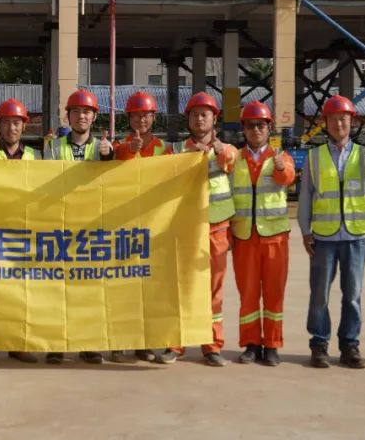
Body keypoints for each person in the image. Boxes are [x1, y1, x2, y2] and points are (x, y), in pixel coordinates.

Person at [298, 94, 365, 370]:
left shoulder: (364, 154)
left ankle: (350, 344)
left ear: (352, 122)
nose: (339, 124)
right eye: (334, 119)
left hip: (355, 237)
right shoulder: (314, 157)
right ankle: (319, 344)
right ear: (326, 123)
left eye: (344, 119)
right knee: (319, 295)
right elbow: (306, 196)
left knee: (352, 294)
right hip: (323, 237)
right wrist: (305, 230)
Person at [161, 92, 238, 367]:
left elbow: (233, 162)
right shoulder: (175, 151)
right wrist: (187, 158)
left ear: (215, 118)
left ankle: (212, 346)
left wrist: (218, 150)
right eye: (194, 114)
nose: (199, 119)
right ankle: (175, 344)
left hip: (217, 229)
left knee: (214, 291)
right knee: (180, 287)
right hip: (185, 230)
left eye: (204, 114)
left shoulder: (226, 151)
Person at [43, 88, 114, 364]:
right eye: (76, 111)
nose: (81, 116)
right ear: (68, 116)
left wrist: (108, 157)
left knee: (90, 288)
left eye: (86, 112)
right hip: (60, 227)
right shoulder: (53, 148)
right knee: (57, 289)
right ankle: (56, 343)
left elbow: (115, 180)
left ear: (94, 117)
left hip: (92, 228)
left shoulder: (103, 147)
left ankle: (89, 343)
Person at [230, 100, 296, 366]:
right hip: (244, 237)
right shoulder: (235, 159)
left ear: (269, 128)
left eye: (261, 125)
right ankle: (251, 344)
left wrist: (279, 167)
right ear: (243, 129)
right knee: (247, 294)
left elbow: (288, 178)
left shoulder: (281, 157)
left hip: (274, 238)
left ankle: (272, 345)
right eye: (250, 125)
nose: (255, 130)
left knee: (274, 293)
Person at [109, 90, 172, 364]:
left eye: (146, 115)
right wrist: (129, 150)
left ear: (153, 117)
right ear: (129, 118)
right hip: (124, 227)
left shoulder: (164, 149)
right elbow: (112, 165)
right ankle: (119, 343)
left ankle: (143, 343)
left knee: (148, 290)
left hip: (153, 228)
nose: (141, 120)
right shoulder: (119, 146)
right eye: (136, 116)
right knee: (122, 287)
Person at [0, 98, 40, 365]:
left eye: (16, 123)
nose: (11, 128)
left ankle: (17, 343)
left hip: (23, 232)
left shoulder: (35, 156)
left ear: (24, 126)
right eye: (6, 123)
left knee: (21, 291)